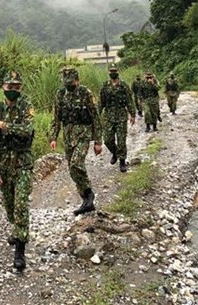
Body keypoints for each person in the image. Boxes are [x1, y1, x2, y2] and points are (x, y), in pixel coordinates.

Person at [0, 70, 35, 271]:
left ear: (21, 88)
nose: (13, 90)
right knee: (9, 208)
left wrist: (4, 126)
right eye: (10, 87)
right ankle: (16, 230)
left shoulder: (26, 107)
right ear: (3, 87)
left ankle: (20, 251)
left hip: (23, 164)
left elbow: (27, 130)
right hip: (5, 167)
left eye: (16, 87)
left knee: (20, 206)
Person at [49, 66, 103, 215]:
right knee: (73, 170)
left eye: (71, 81)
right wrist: (53, 137)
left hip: (83, 135)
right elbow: (56, 118)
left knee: (76, 163)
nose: (69, 84)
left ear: (77, 80)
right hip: (68, 136)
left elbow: (95, 118)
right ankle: (86, 200)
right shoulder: (60, 94)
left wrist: (98, 141)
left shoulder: (85, 93)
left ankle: (89, 194)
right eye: (66, 81)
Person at [99, 65, 135, 173]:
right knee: (107, 140)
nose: (113, 73)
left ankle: (122, 162)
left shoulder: (124, 85)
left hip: (121, 116)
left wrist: (132, 114)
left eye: (115, 71)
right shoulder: (105, 86)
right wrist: (97, 115)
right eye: (111, 71)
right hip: (108, 116)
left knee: (121, 140)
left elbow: (129, 100)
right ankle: (115, 153)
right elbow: (100, 102)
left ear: (118, 72)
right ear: (108, 72)